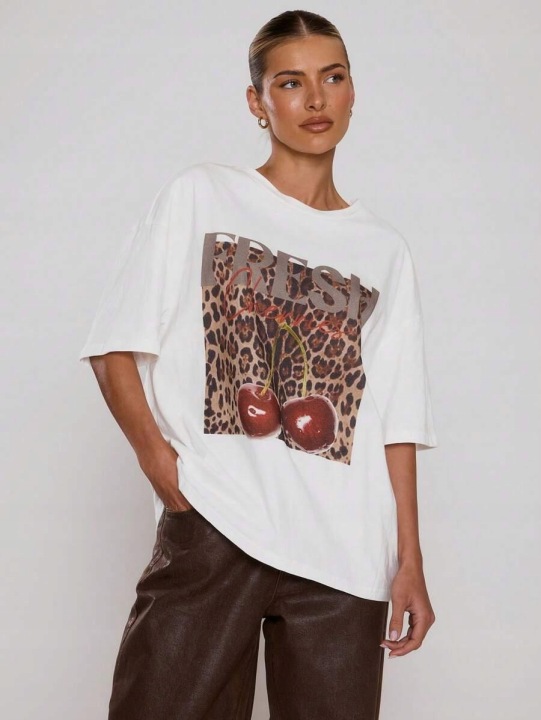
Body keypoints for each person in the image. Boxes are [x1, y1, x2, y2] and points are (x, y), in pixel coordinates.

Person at [79, 9, 438, 720]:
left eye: (332, 77)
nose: (315, 99)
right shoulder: (202, 195)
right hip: (216, 524)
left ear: (353, 91)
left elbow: (396, 419)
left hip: (343, 554)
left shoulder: (383, 249)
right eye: (290, 82)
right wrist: (162, 467)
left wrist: (409, 560)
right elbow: (113, 345)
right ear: (257, 102)